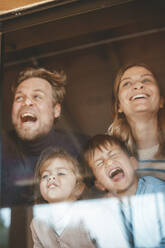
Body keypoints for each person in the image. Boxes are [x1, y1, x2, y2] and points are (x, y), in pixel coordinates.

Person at [2, 67, 88, 206]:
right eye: (19, 97)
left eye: (37, 96)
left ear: (56, 110)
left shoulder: (82, 147)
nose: (27, 102)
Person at [107, 63, 165, 180]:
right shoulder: (108, 157)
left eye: (147, 80)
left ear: (161, 101)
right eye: (127, 83)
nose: (138, 85)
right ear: (119, 106)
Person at [30, 147, 97, 248]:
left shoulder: (90, 216)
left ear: (78, 187)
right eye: (45, 176)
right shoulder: (37, 224)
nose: (51, 178)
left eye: (61, 173)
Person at [84, 134, 165, 198]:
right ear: (100, 184)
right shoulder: (107, 208)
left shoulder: (156, 190)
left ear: (133, 163)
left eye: (113, 155)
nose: (109, 162)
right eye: (99, 163)